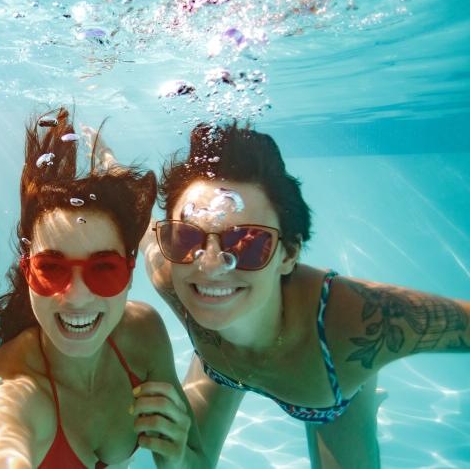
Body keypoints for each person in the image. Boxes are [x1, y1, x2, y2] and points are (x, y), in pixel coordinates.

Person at [134, 122, 470, 468]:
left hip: (327, 390)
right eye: (187, 238)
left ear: (289, 254)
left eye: (247, 244)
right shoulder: (171, 272)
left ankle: (366, 398)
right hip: (222, 369)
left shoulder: (358, 323)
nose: (210, 265)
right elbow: (143, 227)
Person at [0, 107, 209, 468]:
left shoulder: (143, 334)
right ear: (27, 272)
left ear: (130, 274)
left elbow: (196, 462)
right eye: (51, 269)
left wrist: (176, 456)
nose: (77, 295)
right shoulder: (12, 386)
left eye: (104, 269)